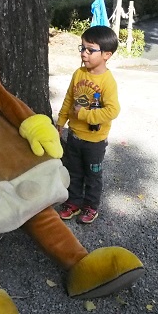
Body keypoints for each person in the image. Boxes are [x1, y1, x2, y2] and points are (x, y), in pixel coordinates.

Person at [55, 25, 120, 224]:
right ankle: (73, 202)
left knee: (93, 176)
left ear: (107, 54)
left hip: (94, 141)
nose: (84, 53)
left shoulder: (108, 81)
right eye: (82, 48)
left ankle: (91, 206)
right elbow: (68, 98)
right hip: (74, 135)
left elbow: (112, 110)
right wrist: (60, 123)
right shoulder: (78, 73)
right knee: (73, 172)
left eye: (90, 50)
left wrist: (85, 114)